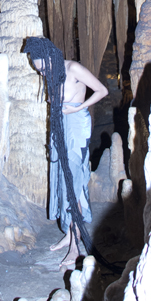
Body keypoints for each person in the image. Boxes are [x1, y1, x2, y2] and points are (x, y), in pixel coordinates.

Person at [23, 37, 108, 268]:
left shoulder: (74, 69)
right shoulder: (53, 73)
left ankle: (75, 245)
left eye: (43, 68)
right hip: (61, 126)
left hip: (77, 127)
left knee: (74, 180)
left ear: (52, 58)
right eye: (39, 71)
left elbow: (102, 90)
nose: (42, 74)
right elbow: (55, 99)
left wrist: (80, 106)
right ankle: (71, 233)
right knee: (62, 177)